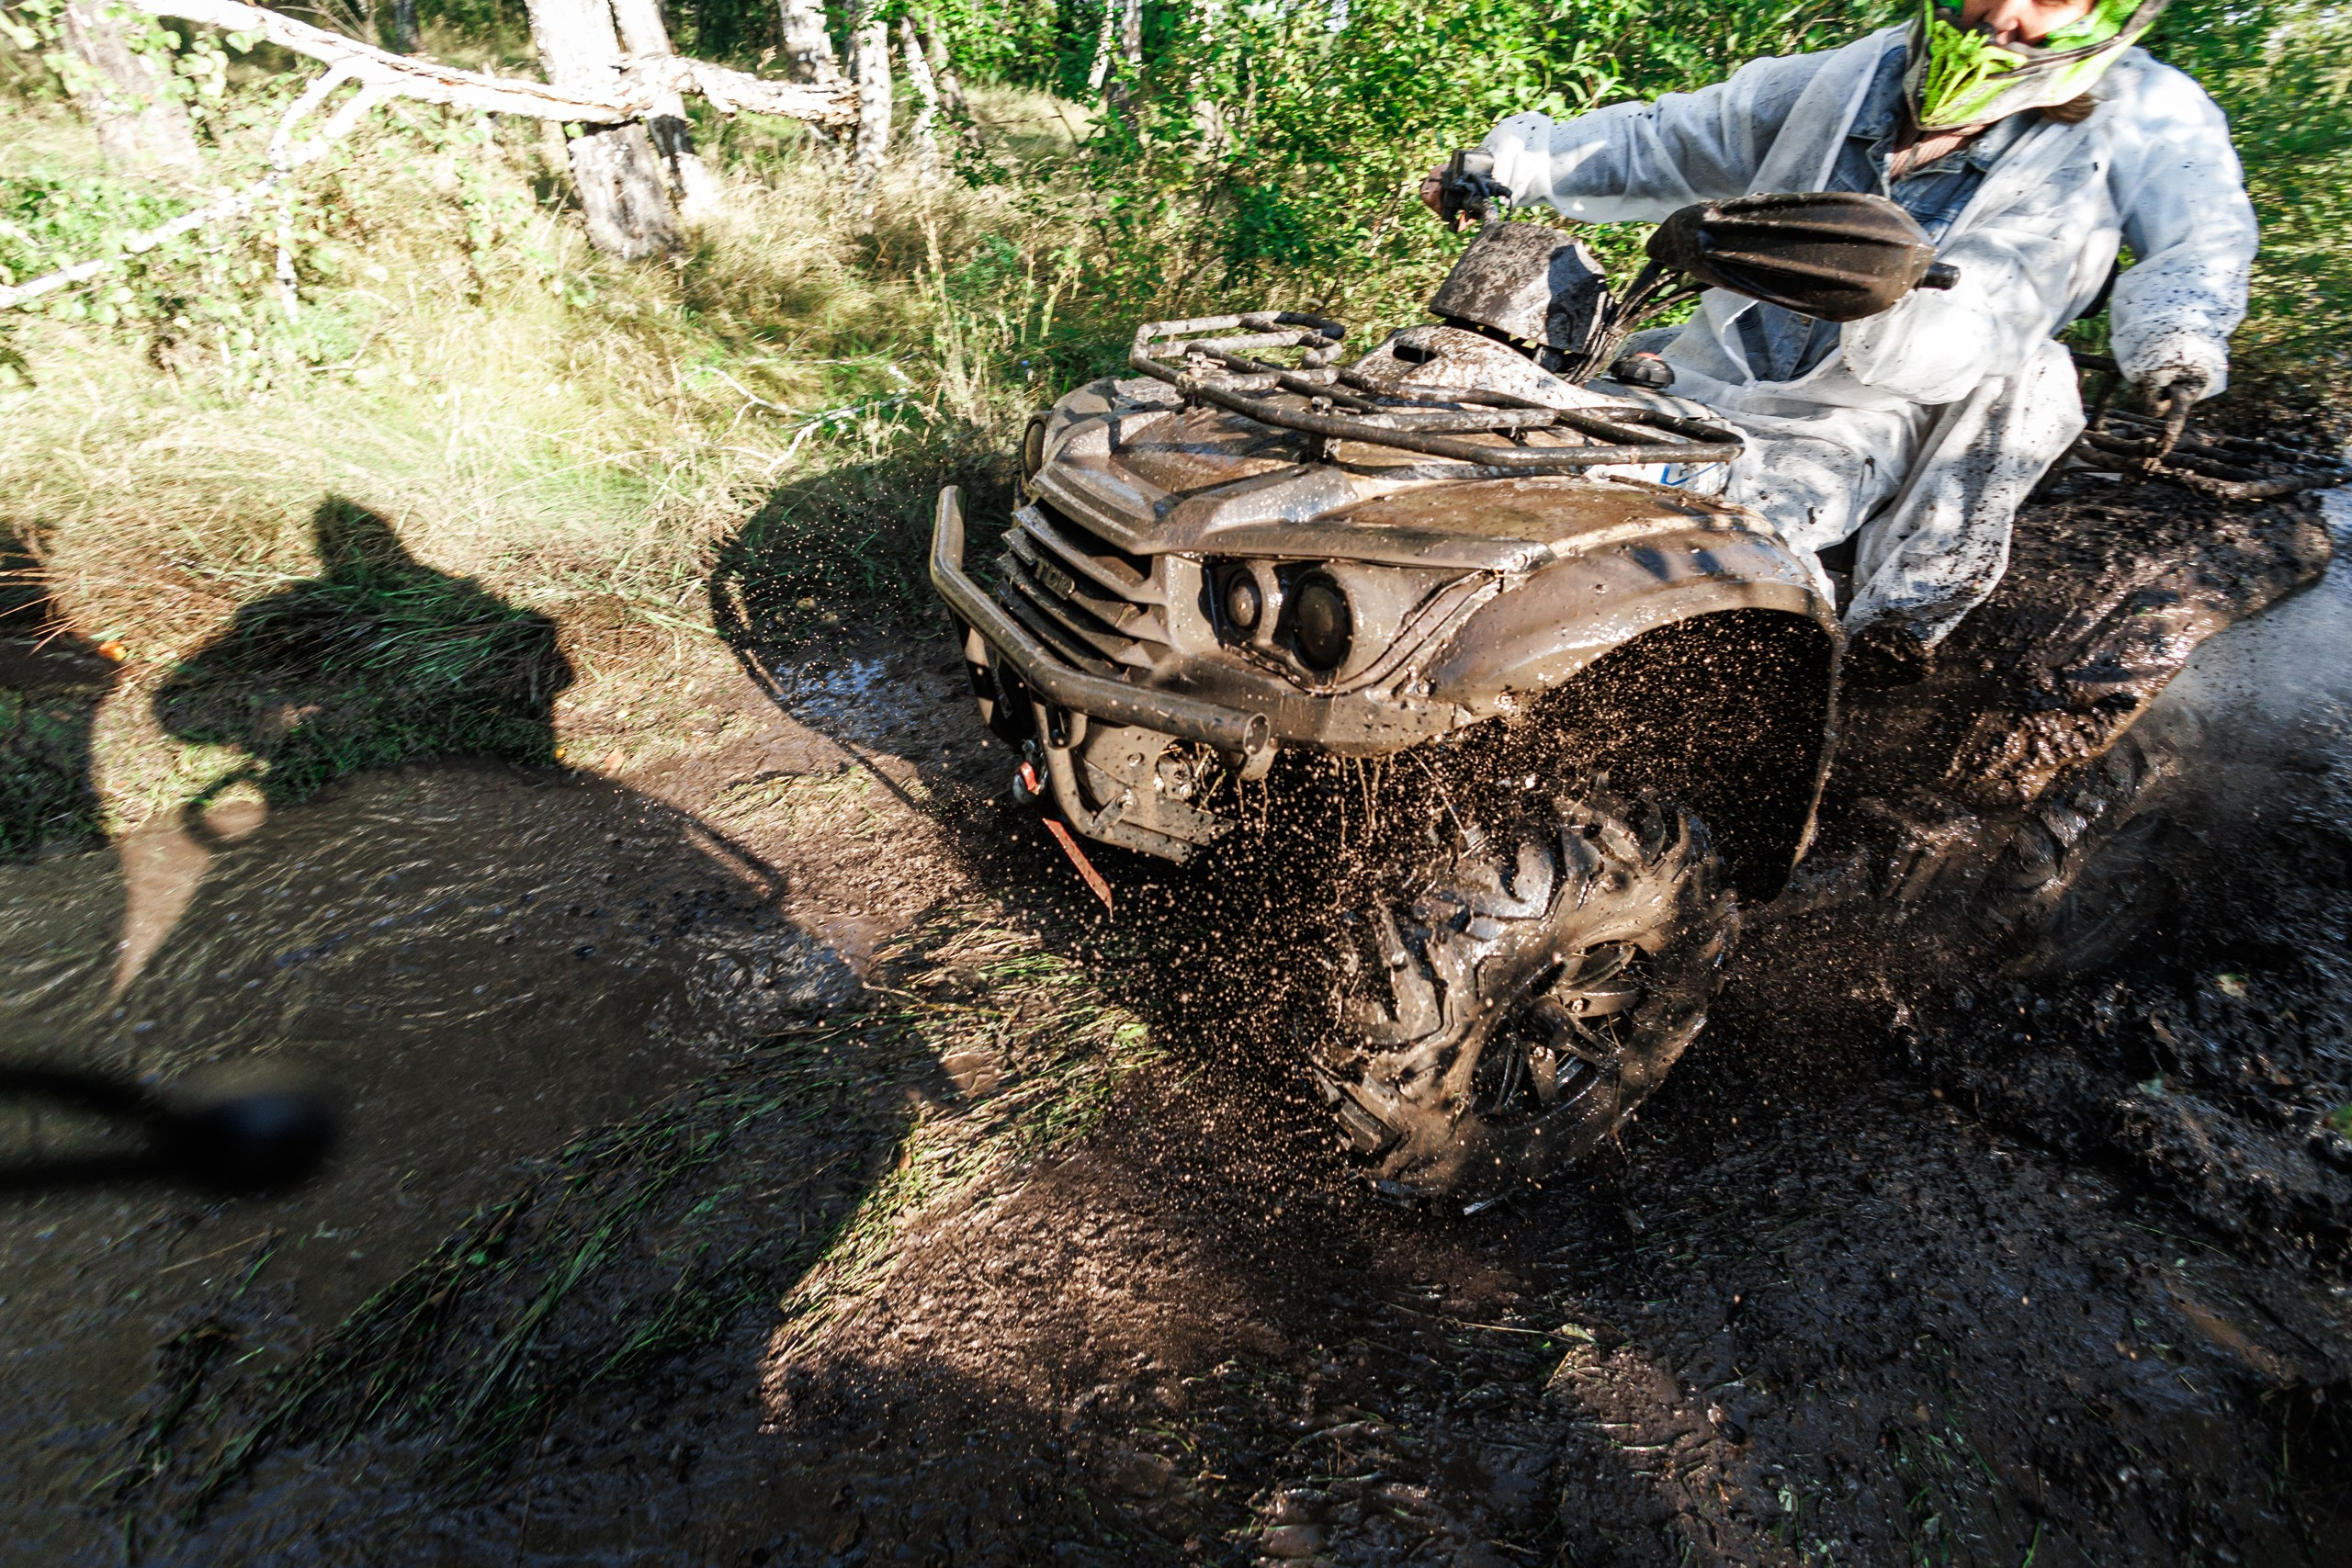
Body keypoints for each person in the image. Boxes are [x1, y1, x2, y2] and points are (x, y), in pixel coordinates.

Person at [1421, 0, 2257, 671]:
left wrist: (2177, 343)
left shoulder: (2150, 114)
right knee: (1464, 442)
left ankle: (1893, 637)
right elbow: (1669, 137)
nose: (2002, 13)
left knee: (2032, 379)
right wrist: (1513, 162)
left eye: (2047, 0)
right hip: (1701, 374)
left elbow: (2203, 238)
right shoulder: (1861, 71)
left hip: (1863, 416)